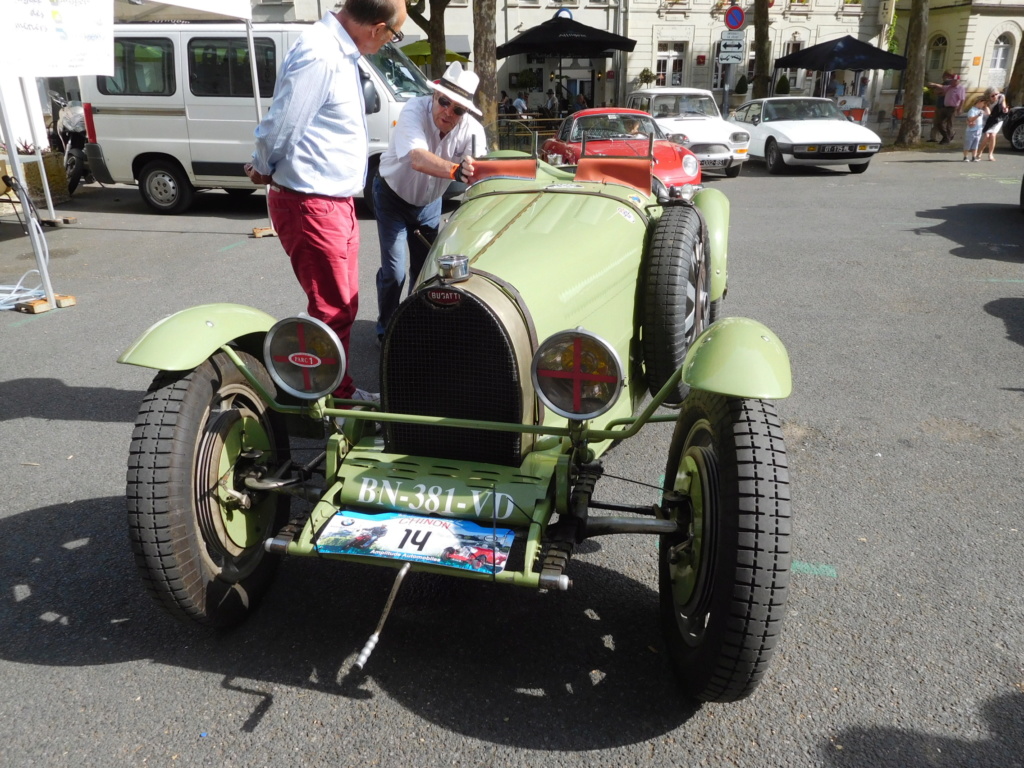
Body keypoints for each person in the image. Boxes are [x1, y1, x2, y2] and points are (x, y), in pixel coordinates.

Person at [246, 0, 406, 402]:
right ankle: (327, 399)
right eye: (395, 34)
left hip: (328, 201)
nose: (390, 42)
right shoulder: (321, 52)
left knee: (340, 307)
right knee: (333, 308)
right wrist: (264, 166)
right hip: (313, 201)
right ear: (377, 28)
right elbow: (282, 123)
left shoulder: (334, 49)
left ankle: (324, 392)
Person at [372, 61, 487, 344]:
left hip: (430, 204)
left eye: (457, 109)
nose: (447, 111)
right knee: (395, 272)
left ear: (465, 113)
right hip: (393, 198)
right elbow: (417, 157)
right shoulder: (413, 109)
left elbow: (481, 169)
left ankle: (411, 325)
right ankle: (386, 328)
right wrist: (456, 170)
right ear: (434, 95)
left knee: (424, 273)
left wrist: (474, 169)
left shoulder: (472, 129)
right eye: (444, 101)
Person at [928, 72, 966, 144]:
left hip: (953, 108)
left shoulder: (960, 88)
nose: (952, 82)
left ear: (958, 81)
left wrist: (960, 108)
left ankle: (947, 138)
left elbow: (962, 99)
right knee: (939, 123)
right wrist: (934, 84)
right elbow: (942, 87)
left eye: (954, 81)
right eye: (952, 80)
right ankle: (946, 136)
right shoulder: (950, 87)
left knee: (949, 124)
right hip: (945, 107)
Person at [980, 87, 1008, 161]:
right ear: (988, 96)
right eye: (992, 95)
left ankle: (990, 154)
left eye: (996, 94)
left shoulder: (1001, 97)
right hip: (987, 118)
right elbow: (987, 113)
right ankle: (979, 152)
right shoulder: (985, 101)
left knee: (992, 135)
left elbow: (1004, 106)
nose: (995, 96)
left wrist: (1005, 109)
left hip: (997, 119)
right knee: (986, 136)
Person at [962, 95, 988, 162]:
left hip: (978, 130)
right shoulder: (972, 110)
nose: (983, 105)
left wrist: (985, 107)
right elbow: (970, 119)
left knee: (976, 144)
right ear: (979, 102)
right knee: (968, 144)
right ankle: (965, 156)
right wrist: (978, 115)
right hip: (971, 130)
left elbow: (988, 113)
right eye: (983, 103)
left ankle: (974, 156)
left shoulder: (980, 110)